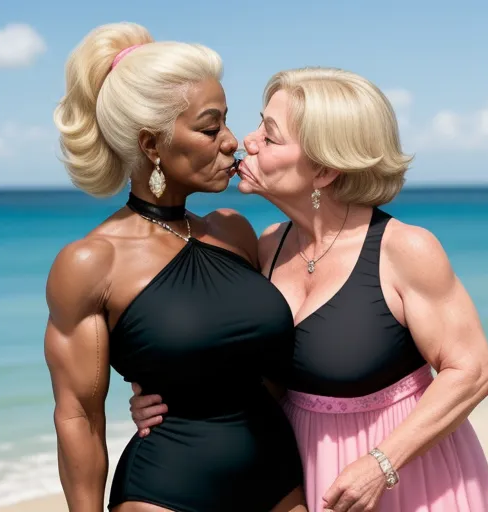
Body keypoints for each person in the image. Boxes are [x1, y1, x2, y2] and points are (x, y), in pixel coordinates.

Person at [130, 67, 488, 511]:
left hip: (408, 478)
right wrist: (163, 400)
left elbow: (472, 372)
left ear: (323, 170)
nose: (245, 141)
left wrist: (380, 463)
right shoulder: (266, 247)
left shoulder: (404, 249)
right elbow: (228, 355)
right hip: (301, 474)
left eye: (269, 136)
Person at [44, 22, 306, 512]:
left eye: (227, 121)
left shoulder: (233, 231)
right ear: (151, 145)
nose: (232, 141)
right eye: (210, 128)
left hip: (280, 481)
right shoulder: (91, 263)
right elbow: (79, 414)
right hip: (168, 491)